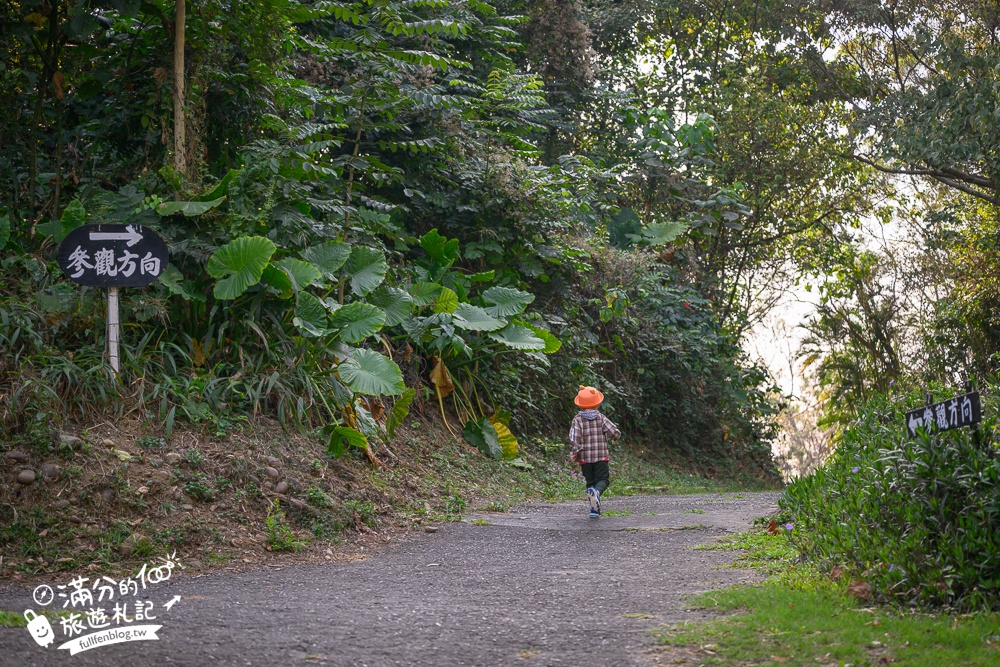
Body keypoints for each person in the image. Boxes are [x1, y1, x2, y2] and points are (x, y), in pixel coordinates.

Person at [568, 385, 621, 517]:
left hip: (585, 458)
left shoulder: (577, 419)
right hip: (601, 457)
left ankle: (594, 510)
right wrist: (616, 437)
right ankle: (597, 493)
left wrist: (575, 452)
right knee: (603, 480)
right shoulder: (601, 418)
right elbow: (612, 430)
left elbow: (574, 437)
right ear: (597, 404)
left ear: (580, 405)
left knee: (590, 482)